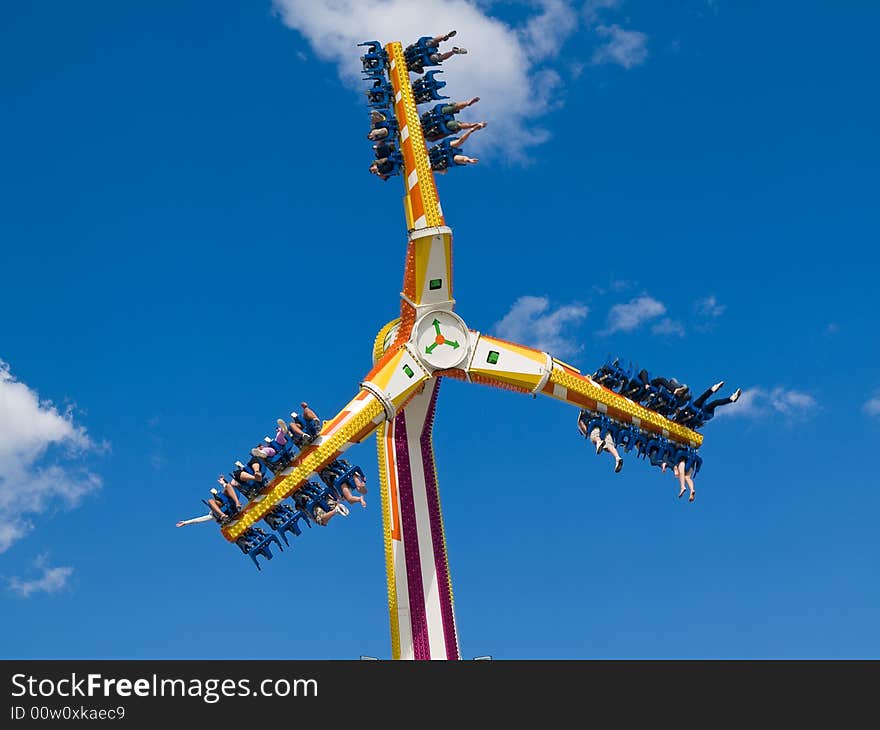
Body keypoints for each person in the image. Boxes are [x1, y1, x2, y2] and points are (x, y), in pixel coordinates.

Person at [674, 382, 742, 427]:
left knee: (708, 401)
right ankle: (714, 390)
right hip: (698, 411)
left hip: (699, 411)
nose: (677, 410)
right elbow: (681, 420)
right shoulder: (678, 418)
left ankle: (731, 399)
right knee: (712, 402)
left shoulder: (682, 412)